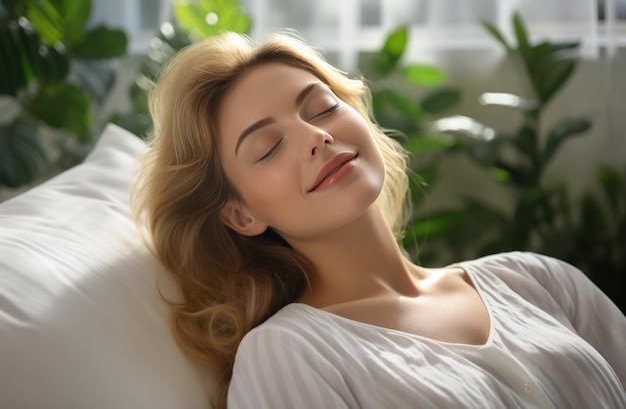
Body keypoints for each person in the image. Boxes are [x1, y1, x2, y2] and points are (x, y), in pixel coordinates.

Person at [131, 31, 626, 409]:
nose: (314, 137)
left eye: (322, 108)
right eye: (269, 147)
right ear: (240, 214)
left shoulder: (538, 281)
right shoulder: (289, 355)